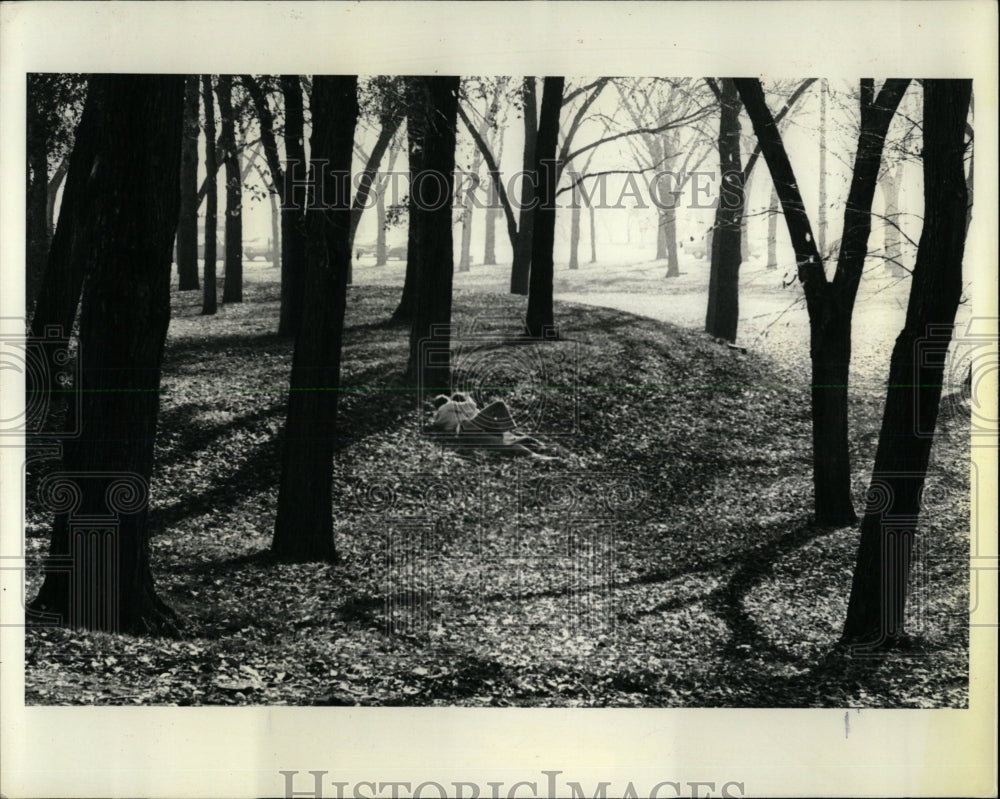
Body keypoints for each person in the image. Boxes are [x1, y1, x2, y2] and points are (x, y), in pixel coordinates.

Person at [429, 393, 550, 457]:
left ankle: (535, 452)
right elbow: (472, 406)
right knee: (499, 405)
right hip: (467, 428)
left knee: (501, 442)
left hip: (468, 431)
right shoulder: (447, 407)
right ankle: (538, 448)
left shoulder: (439, 418)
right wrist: (467, 397)